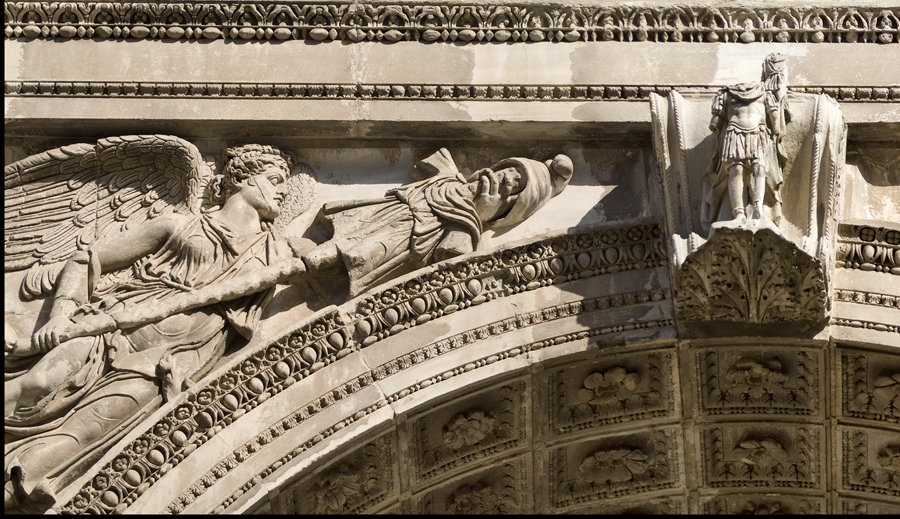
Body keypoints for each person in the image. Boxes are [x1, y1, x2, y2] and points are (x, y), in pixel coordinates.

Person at [5, 145, 298, 511]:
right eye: (274, 181)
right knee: (39, 384)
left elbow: (343, 252)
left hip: (168, 360)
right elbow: (85, 257)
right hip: (115, 327)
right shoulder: (181, 223)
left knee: (86, 432)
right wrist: (62, 314)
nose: (282, 191)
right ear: (241, 178)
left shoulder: (281, 252)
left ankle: (15, 486)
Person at [305, 149, 572, 296]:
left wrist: (477, 214)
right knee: (320, 252)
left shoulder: (463, 229)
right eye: (511, 171)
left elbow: (455, 258)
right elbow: (430, 163)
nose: (507, 179)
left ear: (504, 213)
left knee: (329, 259)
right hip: (370, 218)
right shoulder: (446, 175)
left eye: (515, 187)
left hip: (385, 244)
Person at [705, 54, 790, 224]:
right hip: (739, 133)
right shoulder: (729, 94)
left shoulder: (757, 93)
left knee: (757, 169)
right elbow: (775, 122)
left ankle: (756, 208)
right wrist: (777, 129)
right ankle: (739, 213)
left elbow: (715, 123)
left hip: (750, 133)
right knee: (741, 170)